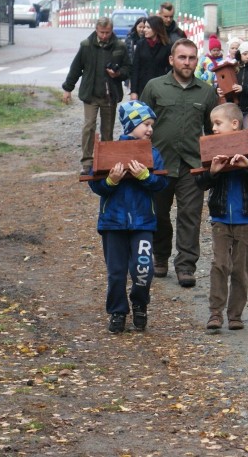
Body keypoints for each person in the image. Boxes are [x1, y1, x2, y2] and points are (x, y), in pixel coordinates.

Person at [139, 39, 220, 287]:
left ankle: (186, 265)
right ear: (172, 60)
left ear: (197, 60)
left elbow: (214, 129)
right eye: (182, 57)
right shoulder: (154, 87)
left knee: (190, 216)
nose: (187, 62)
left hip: (191, 165)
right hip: (160, 165)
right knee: (159, 214)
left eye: (192, 58)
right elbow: (140, 126)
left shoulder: (206, 92)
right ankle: (160, 257)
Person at [88, 100, 168, 333]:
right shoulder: (109, 151)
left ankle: (140, 303)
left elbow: (161, 183)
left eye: (152, 125)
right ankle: (117, 311)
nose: (150, 129)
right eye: (145, 124)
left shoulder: (153, 154)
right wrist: (111, 181)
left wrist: (146, 177)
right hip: (113, 223)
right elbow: (96, 186)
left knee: (143, 268)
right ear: (130, 125)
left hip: (143, 222)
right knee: (116, 272)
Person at [194, 103, 248, 331]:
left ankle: (235, 314)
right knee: (219, 265)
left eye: (218, 123)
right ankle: (215, 313)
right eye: (212, 125)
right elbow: (200, 182)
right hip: (220, 219)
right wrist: (213, 172)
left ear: (235, 124)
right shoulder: (211, 150)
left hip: (246, 220)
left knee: (241, 269)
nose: (214, 128)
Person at [63, 17, 131, 175]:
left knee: (107, 129)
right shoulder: (86, 46)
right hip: (91, 94)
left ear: (112, 30)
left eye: (107, 32)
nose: (105, 36)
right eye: (102, 32)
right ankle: (87, 161)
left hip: (109, 94)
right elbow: (75, 68)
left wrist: (118, 73)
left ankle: (106, 161)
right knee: (89, 126)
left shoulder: (119, 46)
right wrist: (68, 88)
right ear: (96, 29)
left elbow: (128, 67)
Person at [130, 15, 172, 100]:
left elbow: (170, 69)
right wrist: (133, 91)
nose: (144, 30)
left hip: (161, 89)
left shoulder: (167, 46)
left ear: (156, 29)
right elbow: (135, 69)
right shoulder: (140, 44)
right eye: (145, 27)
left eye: (148, 27)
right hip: (142, 88)